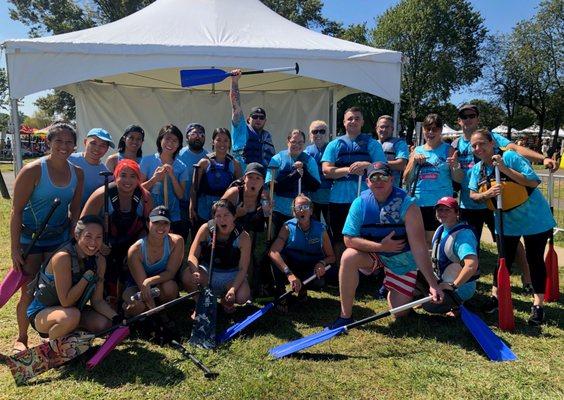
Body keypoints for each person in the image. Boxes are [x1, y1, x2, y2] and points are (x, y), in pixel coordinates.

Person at [329, 162, 444, 328]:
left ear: (391, 179)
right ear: (367, 182)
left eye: (383, 176)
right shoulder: (360, 203)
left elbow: (419, 247)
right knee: (348, 256)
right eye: (373, 177)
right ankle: (345, 316)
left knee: (400, 313)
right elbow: (349, 239)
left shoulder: (408, 205)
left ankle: (417, 285)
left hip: (401, 259)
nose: (378, 181)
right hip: (375, 254)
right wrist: (382, 247)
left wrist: (433, 284)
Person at [468, 129, 555, 325]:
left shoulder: (509, 157)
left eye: (481, 143)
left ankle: (538, 305)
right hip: (505, 221)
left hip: (534, 218)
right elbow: (473, 194)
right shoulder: (478, 169)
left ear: (492, 143)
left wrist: (505, 170)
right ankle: (497, 298)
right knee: (503, 261)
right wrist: (486, 194)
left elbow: (533, 181)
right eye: (474, 146)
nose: (478, 148)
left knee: (534, 260)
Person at [10, 122, 84, 352]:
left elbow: (75, 212)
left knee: (53, 289)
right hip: (31, 241)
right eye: (58, 141)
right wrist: (14, 250)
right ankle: (21, 338)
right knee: (29, 290)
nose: (64, 146)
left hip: (58, 240)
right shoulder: (32, 170)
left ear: (74, 145)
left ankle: (50, 330)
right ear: (48, 142)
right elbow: (16, 211)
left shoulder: (77, 173)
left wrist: (76, 238)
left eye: (69, 141)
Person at [27, 216, 118, 340]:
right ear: (77, 235)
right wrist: (86, 277)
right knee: (71, 316)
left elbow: (97, 301)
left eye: (98, 237)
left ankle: (69, 337)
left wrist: (117, 319)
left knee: (104, 324)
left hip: (73, 311)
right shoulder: (63, 258)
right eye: (88, 236)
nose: (93, 243)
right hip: (42, 312)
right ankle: (52, 347)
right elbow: (66, 301)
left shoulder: (99, 261)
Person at [82, 159, 153, 305]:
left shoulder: (144, 197)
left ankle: (130, 297)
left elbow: (148, 227)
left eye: (133, 176)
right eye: (123, 175)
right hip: (104, 246)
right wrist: (98, 244)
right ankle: (104, 299)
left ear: (138, 178)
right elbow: (83, 223)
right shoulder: (102, 194)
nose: (128, 180)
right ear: (116, 176)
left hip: (130, 245)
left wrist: (136, 248)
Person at [321, 107, 386, 264]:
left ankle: (366, 269)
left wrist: (366, 165)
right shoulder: (334, 144)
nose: (353, 121)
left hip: (365, 198)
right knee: (339, 236)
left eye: (357, 118)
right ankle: (341, 269)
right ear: (344, 122)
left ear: (362, 122)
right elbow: (326, 170)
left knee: (364, 235)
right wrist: (349, 170)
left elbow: (382, 168)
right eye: (350, 118)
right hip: (339, 200)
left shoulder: (372, 144)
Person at [268, 195, 335, 313]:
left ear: (311, 210)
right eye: (298, 207)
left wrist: (322, 263)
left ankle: (303, 290)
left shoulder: (321, 230)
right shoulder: (287, 227)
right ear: (294, 212)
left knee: (322, 279)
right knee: (277, 259)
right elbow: (273, 252)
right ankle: (281, 293)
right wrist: (289, 274)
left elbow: (332, 257)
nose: (302, 210)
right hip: (292, 266)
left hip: (311, 267)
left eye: (305, 207)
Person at [182, 200, 251, 313]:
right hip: (207, 273)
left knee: (243, 296)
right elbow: (192, 255)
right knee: (187, 275)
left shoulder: (243, 236)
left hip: (231, 276)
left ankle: (225, 300)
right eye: (218, 216)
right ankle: (201, 304)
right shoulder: (206, 229)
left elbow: (243, 269)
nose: (222, 219)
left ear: (234, 216)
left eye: (226, 215)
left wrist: (233, 289)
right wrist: (195, 271)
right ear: (213, 218)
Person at [403, 114, 463, 245]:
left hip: (441, 204)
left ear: (441, 130)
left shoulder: (448, 149)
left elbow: (458, 179)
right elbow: (406, 179)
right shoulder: (417, 150)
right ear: (423, 130)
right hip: (419, 203)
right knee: (420, 241)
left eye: (434, 129)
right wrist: (414, 163)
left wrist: (455, 166)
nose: (430, 132)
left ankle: (436, 265)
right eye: (427, 129)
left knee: (438, 241)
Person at [416, 197, 479, 315]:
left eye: (447, 210)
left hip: (459, 287)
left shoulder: (463, 235)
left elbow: (471, 265)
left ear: (457, 213)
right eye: (439, 210)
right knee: (411, 269)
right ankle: (431, 295)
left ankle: (457, 304)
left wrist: (453, 286)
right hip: (441, 280)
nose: (442, 213)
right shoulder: (441, 228)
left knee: (430, 307)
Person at [122, 206, 184, 316]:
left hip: (159, 283)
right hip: (136, 284)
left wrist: (149, 281)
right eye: (156, 222)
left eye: (165, 223)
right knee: (137, 306)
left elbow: (170, 273)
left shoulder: (177, 241)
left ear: (170, 225)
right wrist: (153, 309)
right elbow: (143, 286)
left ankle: (159, 311)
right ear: (147, 224)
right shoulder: (135, 250)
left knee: (170, 288)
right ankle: (132, 310)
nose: (161, 226)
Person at [266, 129, 321, 236]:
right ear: (288, 142)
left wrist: (304, 172)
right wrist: (294, 176)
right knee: (277, 239)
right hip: (279, 210)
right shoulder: (277, 159)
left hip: (301, 210)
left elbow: (315, 187)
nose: (297, 145)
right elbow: (272, 186)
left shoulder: (309, 161)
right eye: (294, 142)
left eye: (300, 142)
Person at [140, 124, 189, 238]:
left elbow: (181, 195)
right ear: (160, 140)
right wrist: (154, 179)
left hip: (173, 216)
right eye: (167, 139)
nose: (170, 143)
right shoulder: (147, 161)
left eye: (175, 141)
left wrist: (172, 176)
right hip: (150, 214)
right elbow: (139, 189)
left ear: (179, 145)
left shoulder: (182, 167)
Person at [190, 128, 242, 229]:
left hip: (225, 208)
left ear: (230, 143)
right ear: (213, 142)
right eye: (218, 140)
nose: (222, 143)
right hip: (204, 208)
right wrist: (191, 206)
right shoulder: (204, 162)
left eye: (226, 140)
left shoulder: (235, 164)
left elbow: (240, 189)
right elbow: (194, 187)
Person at [229, 69, 275, 169]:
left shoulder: (267, 137)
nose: (258, 119)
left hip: (261, 178)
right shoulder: (241, 128)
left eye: (261, 117)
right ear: (248, 119)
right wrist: (234, 82)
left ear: (265, 121)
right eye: (254, 117)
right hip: (241, 176)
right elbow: (235, 106)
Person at [177, 123, 209, 239]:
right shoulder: (178, 154)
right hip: (181, 203)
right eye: (194, 133)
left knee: (199, 238)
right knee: (181, 236)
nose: (198, 137)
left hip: (200, 205)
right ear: (187, 137)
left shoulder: (208, 156)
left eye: (201, 134)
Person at [69, 128, 115, 207]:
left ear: (107, 149)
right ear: (85, 142)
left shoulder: (107, 176)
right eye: (93, 143)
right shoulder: (68, 160)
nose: (97, 148)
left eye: (102, 145)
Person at [221, 162, 271, 233]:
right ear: (244, 178)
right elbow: (216, 216)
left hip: (253, 236)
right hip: (232, 236)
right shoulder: (233, 193)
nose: (253, 181)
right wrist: (235, 214)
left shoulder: (264, 196)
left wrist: (268, 212)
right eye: (250, 177)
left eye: (258, 178)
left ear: (263, 182)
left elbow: (268, 222)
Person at [304, 120, 332, 224]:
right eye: (315, 132)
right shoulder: (307, 152)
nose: (318, 134)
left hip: (330, 197)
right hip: (312, 197)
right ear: (310, 135)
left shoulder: (333, 149)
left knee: (330, 227)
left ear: (327, 134)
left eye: (322, 131)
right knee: (313, 225)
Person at [375, 115, 409, 187]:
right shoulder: (371, 144)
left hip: (391, 187)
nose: (384, 129)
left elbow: (401, 164)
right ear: (376, 128)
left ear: (392, 129)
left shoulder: (400, 143)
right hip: (373, 186)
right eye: (381, 127)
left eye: (387, 127)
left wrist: (377, 164)